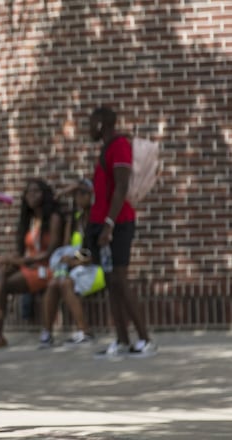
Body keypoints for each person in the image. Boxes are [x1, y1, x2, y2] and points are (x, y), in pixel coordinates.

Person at [87, 106, 156, 358]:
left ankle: (146, 340)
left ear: (103, 123)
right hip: (104, 224)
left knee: (121, 280)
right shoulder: (106, 147)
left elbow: (122, 186)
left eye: (92, 122)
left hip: (117, 223)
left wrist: (109, 224)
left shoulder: (119, 146)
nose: (88, 127)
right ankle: (123, 340)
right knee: (111, 282)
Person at [0, 178, 64, 348]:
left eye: (36, 191)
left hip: (47, 268)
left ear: (45, 194)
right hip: (29, 267)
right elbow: (23, 251)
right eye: (28, 192)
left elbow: (50, 252)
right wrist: (11, 260)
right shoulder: (29, 220)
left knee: (3, 284)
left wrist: (21, 260)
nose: (31, 195)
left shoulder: (54, 218)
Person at [39, 178, 105, 348]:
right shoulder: (77, 218)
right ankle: (47, 334)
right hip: (80, 267)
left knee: (66, 283)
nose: (78, 198)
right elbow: (68, 246)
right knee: (54, 283)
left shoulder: (99, 218)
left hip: (98, 268)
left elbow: (99, 255)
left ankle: (85, 331)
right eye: (75, 195)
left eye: (81, 193)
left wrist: (76, 262)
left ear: (91, 195)